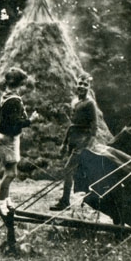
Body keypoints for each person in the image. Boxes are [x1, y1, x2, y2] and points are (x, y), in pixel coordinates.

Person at [0, 67, 39, 215]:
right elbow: (15, 125)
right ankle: (1, 203)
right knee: (11, 173)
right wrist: (30, 120)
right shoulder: (13, 100)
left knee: (10, 171)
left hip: (3, 137)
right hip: (9, 139)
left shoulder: (4, 97)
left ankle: (6, 200)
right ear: (19, 84)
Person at [50, 73, 97, 211]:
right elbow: (72, 125)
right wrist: (64, 143)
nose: (81, 86)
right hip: (73, 141)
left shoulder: (90, 104)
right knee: (73, 172)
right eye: (80, 83)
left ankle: (65, 201)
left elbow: (94, 127)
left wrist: (86, 146)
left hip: (82, 143)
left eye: (85, 84)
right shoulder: (75, 101)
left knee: (67, 170)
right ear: (76, 85)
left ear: (89, 87)